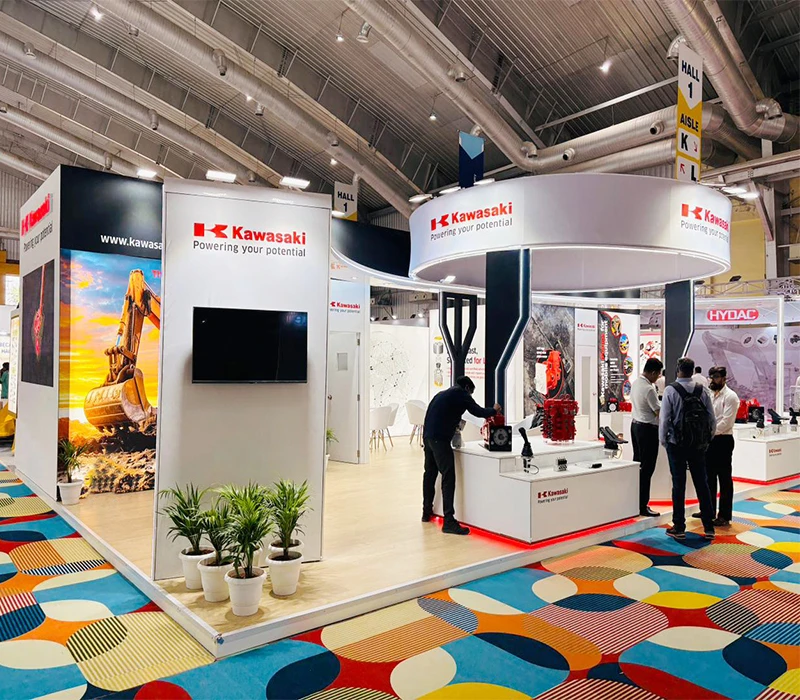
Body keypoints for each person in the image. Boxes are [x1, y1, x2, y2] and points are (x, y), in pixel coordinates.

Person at [422, 376, 500, 535]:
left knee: (430, 474)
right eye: (471, 393)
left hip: (428, 437)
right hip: (440, 439)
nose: (470, 396)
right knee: (448, 476)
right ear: (467, 388)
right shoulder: (461, 394)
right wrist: (494, 410)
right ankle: (449, 521)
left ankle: (426, 512)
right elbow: (478, 411)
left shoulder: (442, 394)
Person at [659, 357, 717, 540]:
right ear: (692, 371)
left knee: (679, 485)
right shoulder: (702, 390)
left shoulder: (670, 390)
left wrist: (663, 440)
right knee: (702, 483)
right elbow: (711, 417)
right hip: (698, 444)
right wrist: (707, 438)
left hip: (677, 443)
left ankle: (679, 527)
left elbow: (664, 419)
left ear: (678, 369)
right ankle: (709, 527)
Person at [693, 367, 739, 527]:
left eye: (716, 377)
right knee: (708, 477)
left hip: (723, 440)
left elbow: (726, 422)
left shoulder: (731, 397)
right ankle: (708, 510)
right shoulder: (709, 394)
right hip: (709, 440)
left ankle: (724, 515)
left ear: (724, 378)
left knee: (724, 479)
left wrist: (708, 432)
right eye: (711, 376)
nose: (712, 380)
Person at [630, 358, 663, 517]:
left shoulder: (636, 383)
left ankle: (635, 502)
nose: (658, 378)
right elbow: (658, 411)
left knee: (638, 466)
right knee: (647, 469)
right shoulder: (649, 389)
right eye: (658, 375)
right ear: (653, 372)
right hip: (648, 430)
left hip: (636, 426)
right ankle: (643, 505)